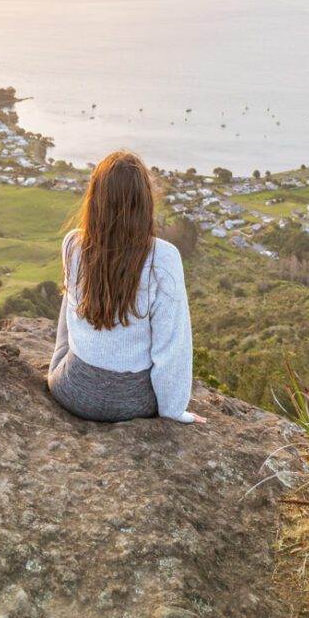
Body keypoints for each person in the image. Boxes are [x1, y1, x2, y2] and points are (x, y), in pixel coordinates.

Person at [48, 150, 205, 424]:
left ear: (95, 199)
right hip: (132, 402)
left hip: (70, 390)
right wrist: (173, 411)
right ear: (145, 202)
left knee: (70, 295)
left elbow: (69, 318)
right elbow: (172, 345)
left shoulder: (73, 244)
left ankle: (62, 362)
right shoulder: (163, 258)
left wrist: (60, 367)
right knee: (69, 295)